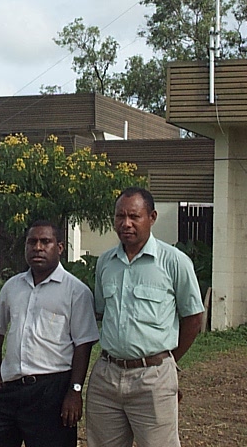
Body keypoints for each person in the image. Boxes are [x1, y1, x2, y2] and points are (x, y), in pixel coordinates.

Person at [86, 186, 205, 447]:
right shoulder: (105, 262)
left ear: (152, 217)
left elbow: (193, 318)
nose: (126, 223)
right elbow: (101, 311)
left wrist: (167, 362)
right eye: (120, 216)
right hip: (107, 378)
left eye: (134, 216)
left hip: (153, 379)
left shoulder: (174, 261)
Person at [0, 220, 99, 447]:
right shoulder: (13, 286)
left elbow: (83, 345)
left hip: (51, 389)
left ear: (59, 247)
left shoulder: (76, 291)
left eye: (45, 242)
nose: (38, 247)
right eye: (32, 242)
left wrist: (75, 391)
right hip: (10, 387)